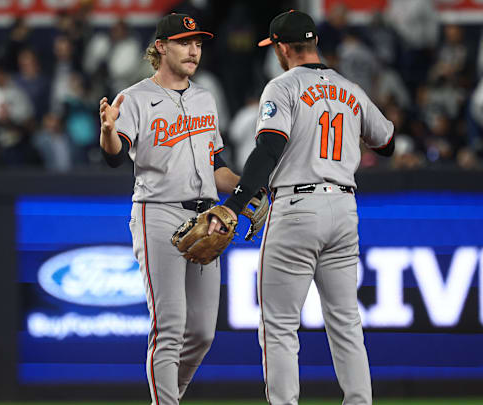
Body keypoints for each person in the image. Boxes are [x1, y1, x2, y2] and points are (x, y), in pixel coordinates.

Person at [208, 10, 395, 405]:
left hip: (296, 206)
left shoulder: (282, 86)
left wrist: (237, 202)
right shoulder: (351, 88)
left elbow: (269, 148)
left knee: (278, 326)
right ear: (312, 44)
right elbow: (388, 141)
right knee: (345, 322)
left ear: (281, 47)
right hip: (344, 208)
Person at [98, 13, 240, 405]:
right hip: (157, 211)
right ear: (161, 46)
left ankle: (167, 397)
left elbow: (217, 167)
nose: (194, 50)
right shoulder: (136, 97)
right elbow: (113, 157)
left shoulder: (204, 97)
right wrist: (109, 131)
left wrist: (248, 187)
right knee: (171, 325)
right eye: (184, 42)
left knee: (202, 332)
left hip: (206, 215)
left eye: (198, 43)